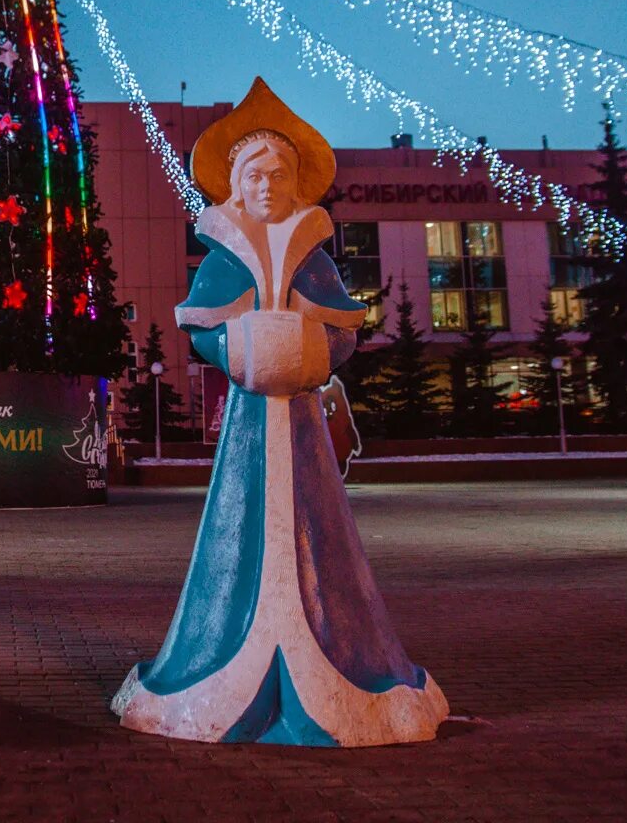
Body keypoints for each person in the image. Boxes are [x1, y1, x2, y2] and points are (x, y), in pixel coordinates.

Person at [112, 77, 447, 747]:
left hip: (301, 431)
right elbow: (204, 326)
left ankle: (338, 659)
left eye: (280, 173)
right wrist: (238, 345)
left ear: (299, 183)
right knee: (237, 534)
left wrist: (314, 349)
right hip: (246, 432)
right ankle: (221, 654)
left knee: (318, 536)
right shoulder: (223, 255)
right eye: (254, 174)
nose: (268, 185)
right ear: (234, 185)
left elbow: (343, 327)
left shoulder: (312, 256)